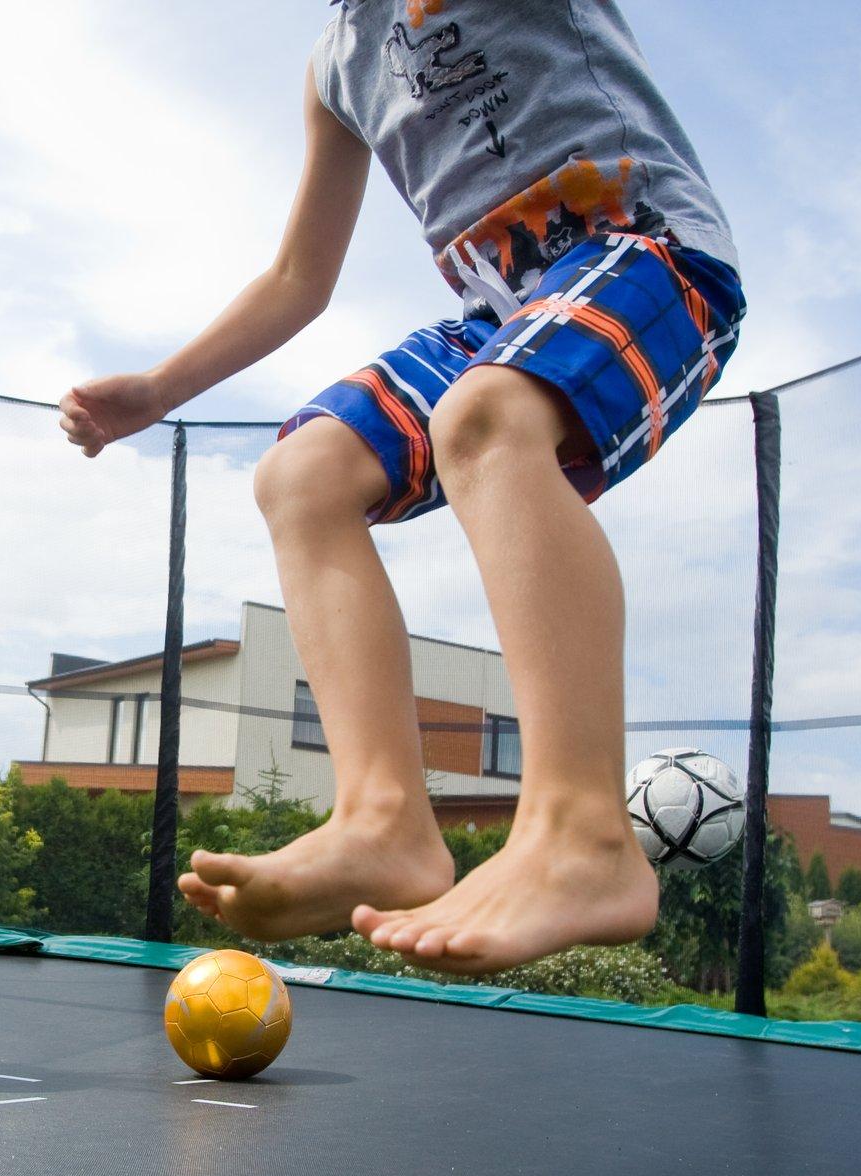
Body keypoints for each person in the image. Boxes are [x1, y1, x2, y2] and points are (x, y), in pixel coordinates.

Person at [59, 0, 744, 974]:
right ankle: (381, 817)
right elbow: (299, 274)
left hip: (651, 252)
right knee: (302, 474)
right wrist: (159, 390)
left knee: (485, 417)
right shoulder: (335, 66)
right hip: (502, 309)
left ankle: (585, 833)